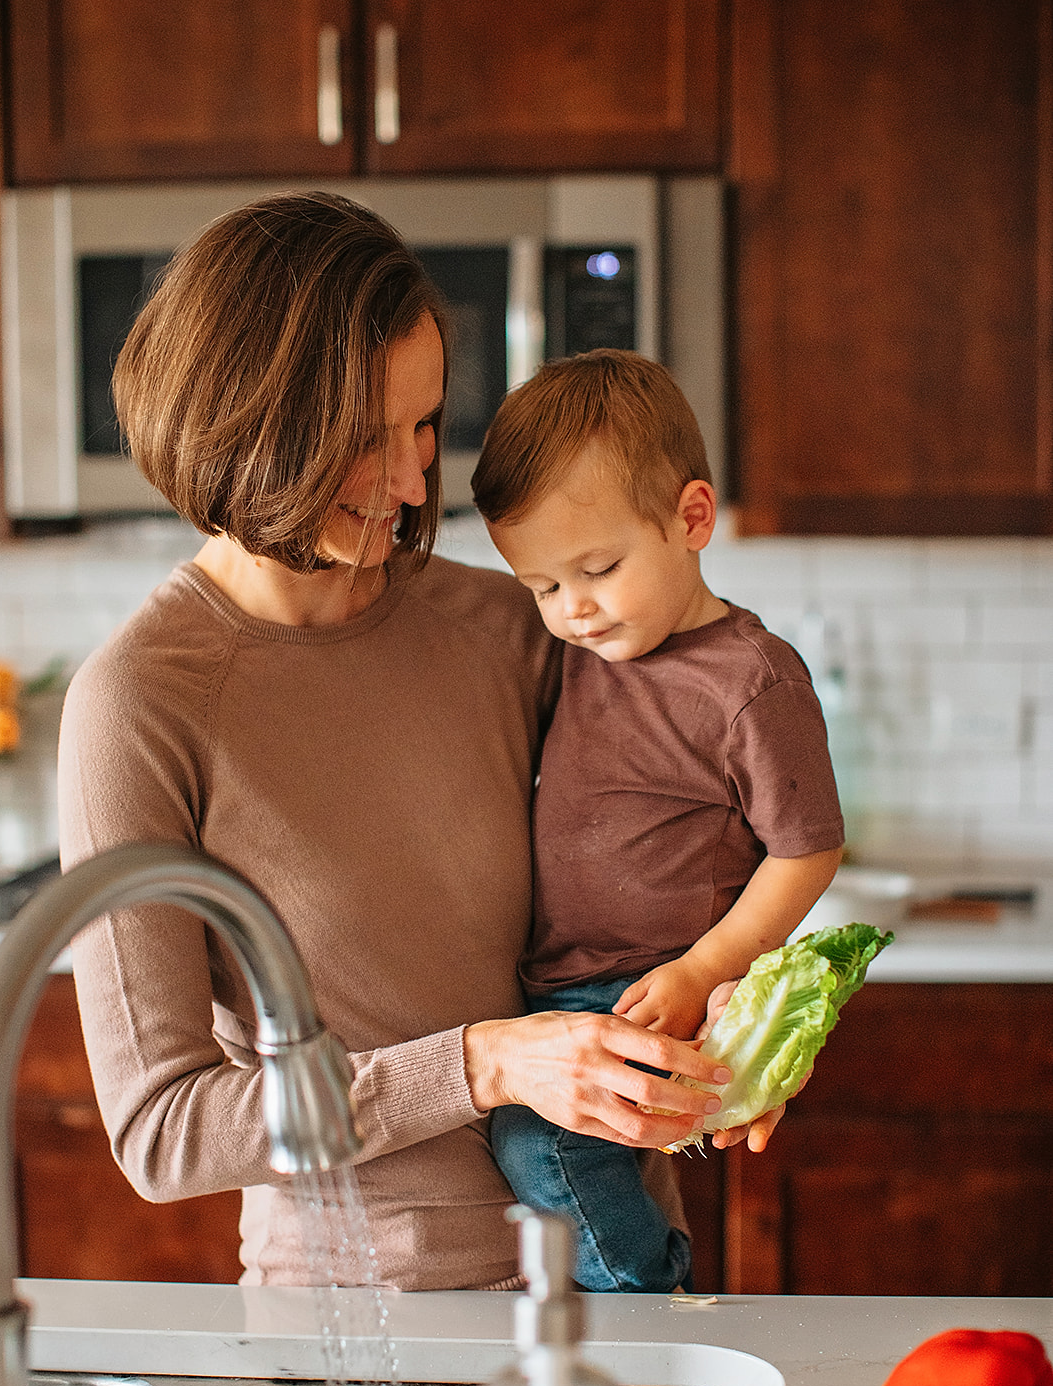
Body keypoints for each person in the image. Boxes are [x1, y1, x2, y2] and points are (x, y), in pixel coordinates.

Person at [57, 193, 736, 1293]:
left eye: (423, 426)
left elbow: (667, 870)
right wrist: (481, 1064)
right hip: (362, 1327)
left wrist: (734, 1028)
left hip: (619, 1277)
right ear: (249, 432)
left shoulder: (511, 625)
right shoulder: (140, 702)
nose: (418, 483)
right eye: (364, 442)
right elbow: (165, 1133)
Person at [471, 349, 845, 1292]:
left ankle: (651, 1304)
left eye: (597, 569)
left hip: (650, 988)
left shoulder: (752, 679)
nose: (573, 610)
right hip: (557, 984)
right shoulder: (585, 651)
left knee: (539, 1142)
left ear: (691, 518)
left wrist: (703, 971)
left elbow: (808, 850)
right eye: (543, 588)